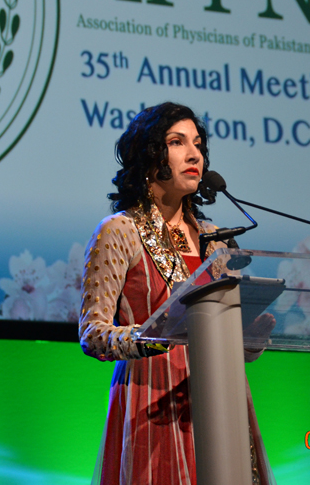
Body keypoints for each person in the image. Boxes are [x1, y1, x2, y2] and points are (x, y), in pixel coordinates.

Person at [79, 102, 275, 485]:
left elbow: (224, 331)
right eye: (177, 141)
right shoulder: (119, 230)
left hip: (221, 395)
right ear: (151, 154)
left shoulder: (214, 238)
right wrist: (152, 335)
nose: (194, 154)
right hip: (151, 399)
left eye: (198, 144)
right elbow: (92, 335)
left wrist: (249, 340)